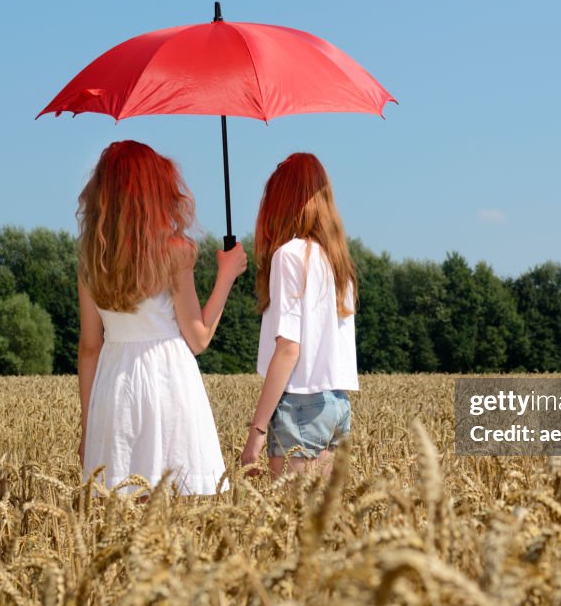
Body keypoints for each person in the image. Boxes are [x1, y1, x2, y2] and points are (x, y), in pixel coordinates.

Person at [76, 140, 247, 496]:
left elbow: (90, 347)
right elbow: (198, 338)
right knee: (178, 505)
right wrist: (226, 276)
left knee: (122, 504)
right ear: (155, 190)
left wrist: (87, 427)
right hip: (168, 381)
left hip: (113, 386)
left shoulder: (92, 258)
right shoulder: (174, 251)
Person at [241, 152, 358, 478]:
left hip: (301, 405)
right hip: (336, 404)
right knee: (322, 521)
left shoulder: (289, 256)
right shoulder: (338, 262)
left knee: (294, 523)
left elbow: (289, 348)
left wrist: (257, 433)